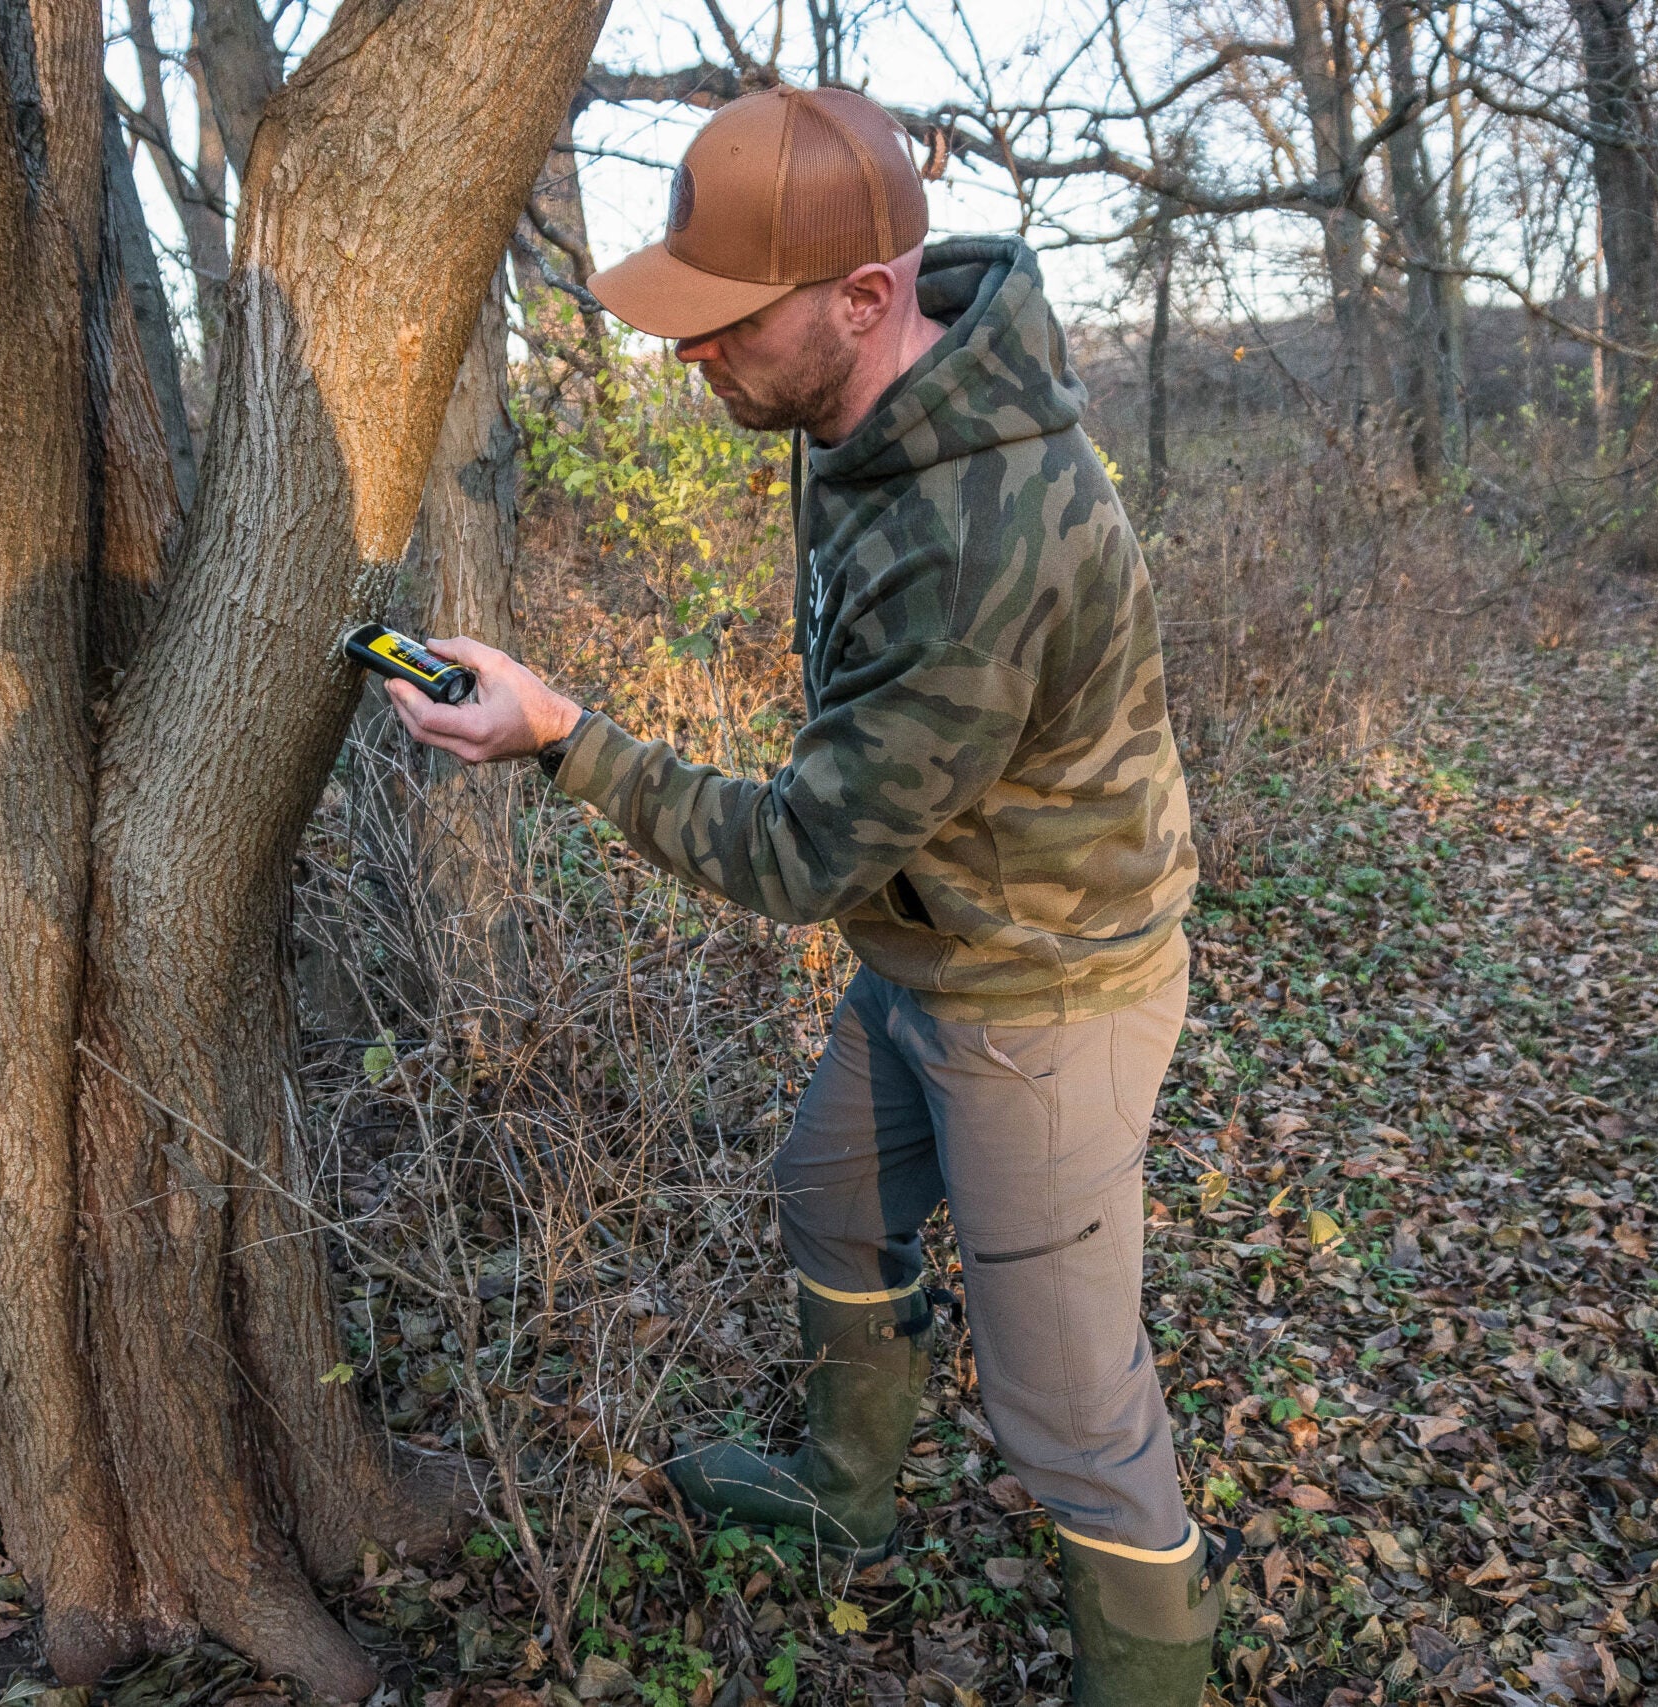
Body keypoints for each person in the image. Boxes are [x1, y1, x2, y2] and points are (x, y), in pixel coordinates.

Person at [383, 83, 1237, 1704]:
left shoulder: (985, 539)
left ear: (864, 300)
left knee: (1067, 1413)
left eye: (725, 325)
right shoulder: (861, 409)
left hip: (1042, 993)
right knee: (828, 1198)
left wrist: (559, 735)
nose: (687, 354)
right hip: (931, 940)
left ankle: (1161, 1671)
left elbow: (792, 853)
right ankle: (847, 1495)